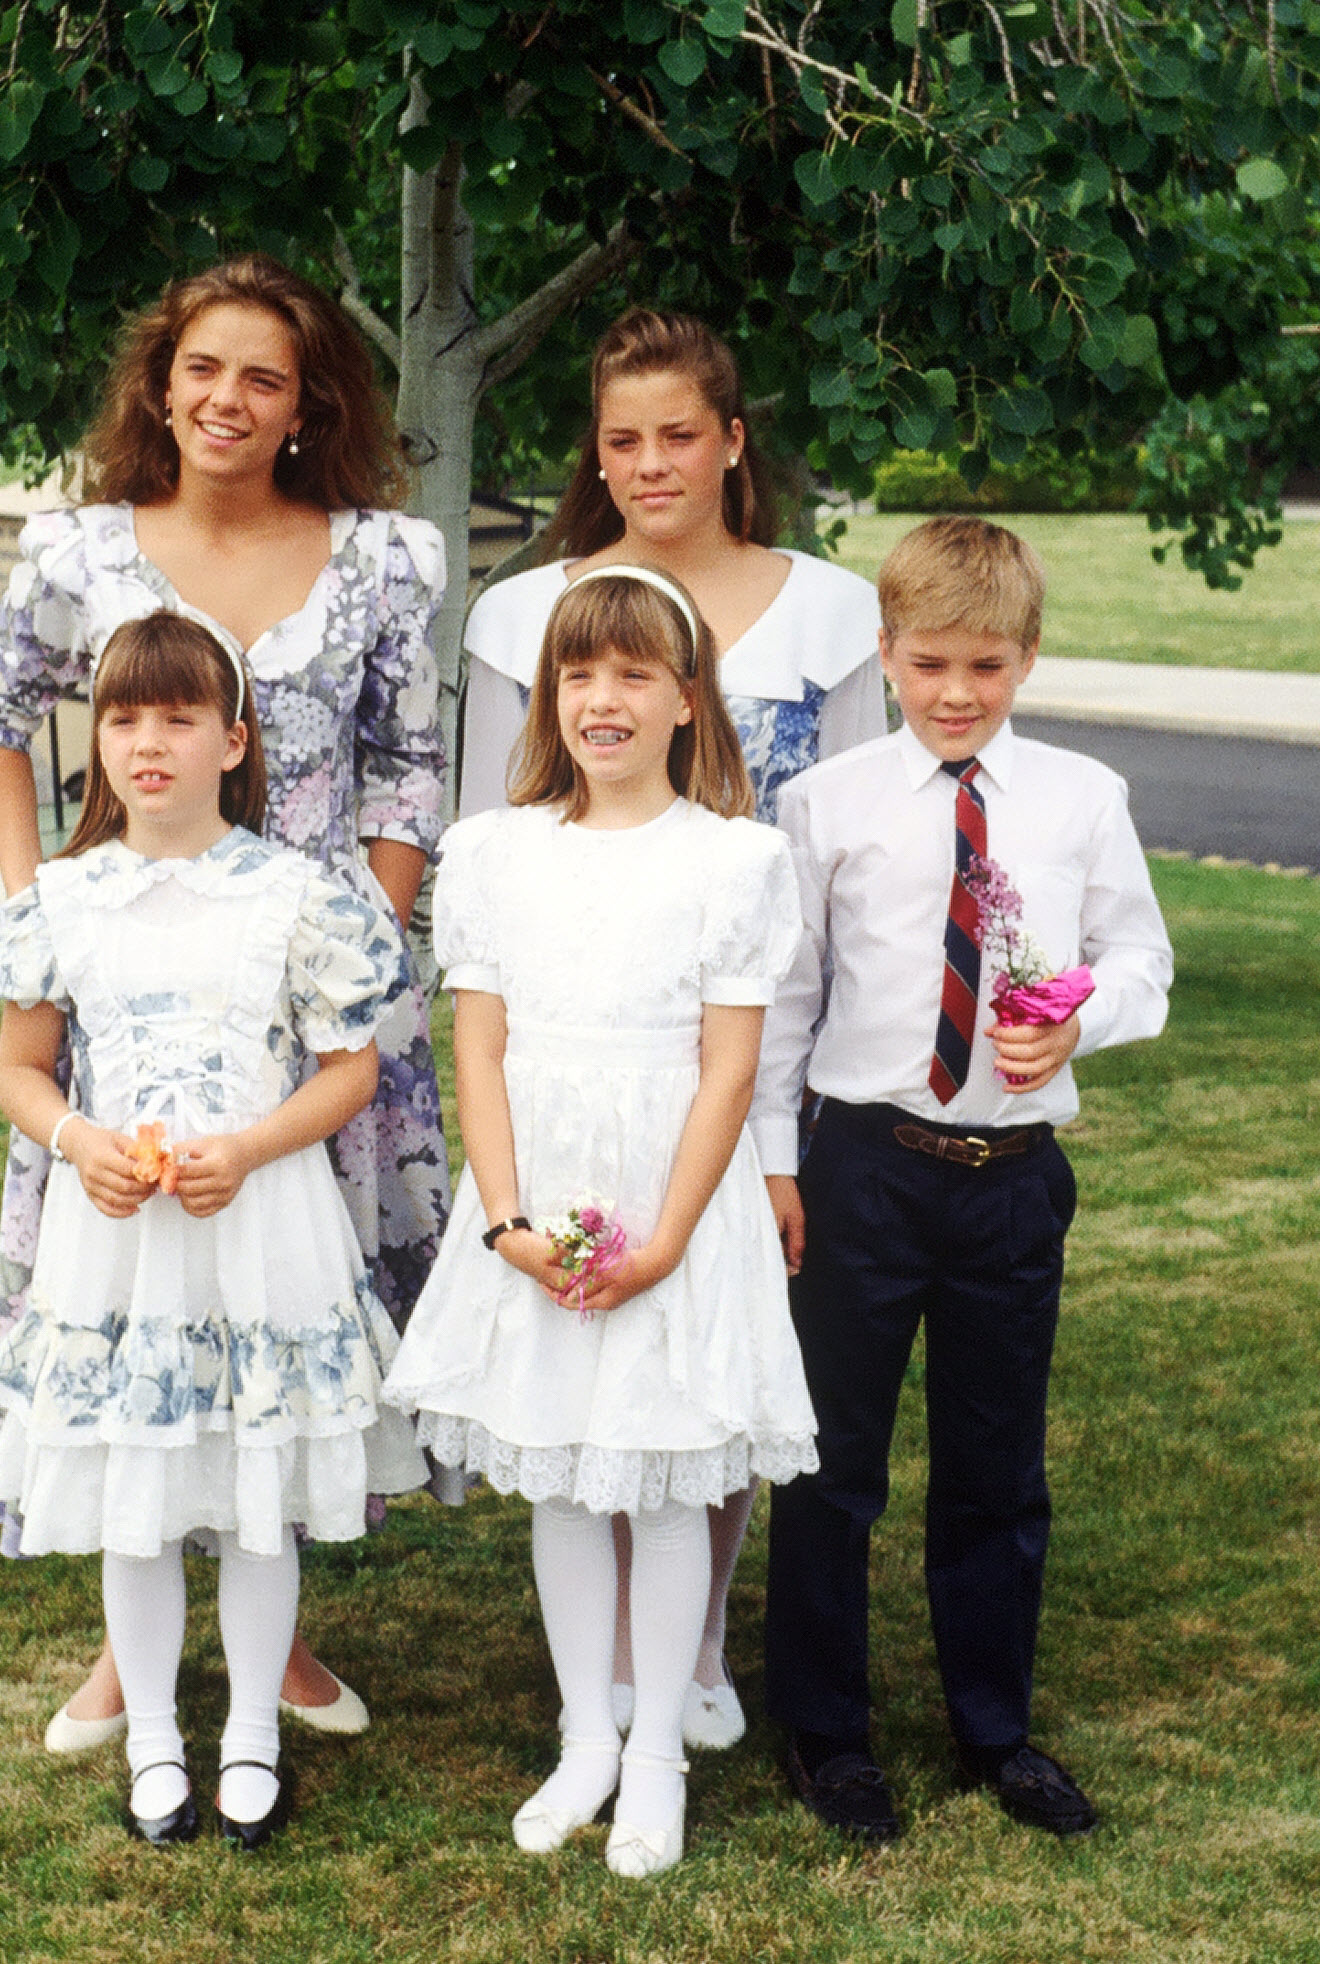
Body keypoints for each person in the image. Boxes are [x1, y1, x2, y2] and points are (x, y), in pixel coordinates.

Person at [0, 253, 450, 1750]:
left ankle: (276, 1636)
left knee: (288, 1289)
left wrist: (358, 935)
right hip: (135, 981)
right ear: (161, 385)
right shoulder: (78, 550)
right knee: (126, 1284)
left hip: (306, 990)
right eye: (203, 369)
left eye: (265, 378)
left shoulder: (384, 558)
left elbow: (412, 761)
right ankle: (128, 1636)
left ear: (309, 407)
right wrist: (41, 900)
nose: (229, 399)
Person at [458, 307, 885, 1752]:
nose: (651, 463)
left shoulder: (827, 613)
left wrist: (777, 1128)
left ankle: (696, 1644)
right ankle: (607, 1690)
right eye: (622, 439)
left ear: (733, 443)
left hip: (763, 1034)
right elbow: (500, 837)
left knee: (717, 1342)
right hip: (593, 1039)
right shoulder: (536, 617)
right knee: (601, 1335)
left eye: (679, 435)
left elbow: (845, 855)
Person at [0, 612, 426, 1846]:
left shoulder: (293, 895)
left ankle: (254, 1739)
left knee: (255, 1486)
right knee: (142, 1488)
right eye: (123, 718)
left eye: (177, 718)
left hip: (258, 1221)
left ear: (234, 738)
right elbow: (22, 1071)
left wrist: (252, 1146)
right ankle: (157, 1733)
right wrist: (77, 1141)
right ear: (97, 740)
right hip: (117, 1236)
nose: (148, 742)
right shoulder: (59, 899)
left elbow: (350, 1071)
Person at [384, 567, 819, 1878]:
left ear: (687, 700)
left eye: (634, 674)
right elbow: (480, 1048)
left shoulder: (734, 859)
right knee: (566, 1471)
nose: (603, 699)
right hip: (541, 1203)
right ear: (549, 695)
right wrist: (508, 1220)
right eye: (579, 675)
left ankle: (658, 1761)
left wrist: (670, 1239)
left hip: (670, 1203)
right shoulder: (496, 852)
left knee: (666, 1466)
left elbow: (731, 1070)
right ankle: (584, 1735)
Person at [752, 517, 1173, 1843]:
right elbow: (784, 1004)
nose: (954, 694)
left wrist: (1076, 1018)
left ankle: (995, 1730)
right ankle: (828, 1736)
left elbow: (1140, 963)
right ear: (884, 655)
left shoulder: (1080, 800)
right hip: (867, 1167)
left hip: (1009, 1177)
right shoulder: (827, 805)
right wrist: (777, 1167)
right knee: (833, 1465)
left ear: (1028, 659)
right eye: (929, 664)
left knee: (995, 1469)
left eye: (985, 668)